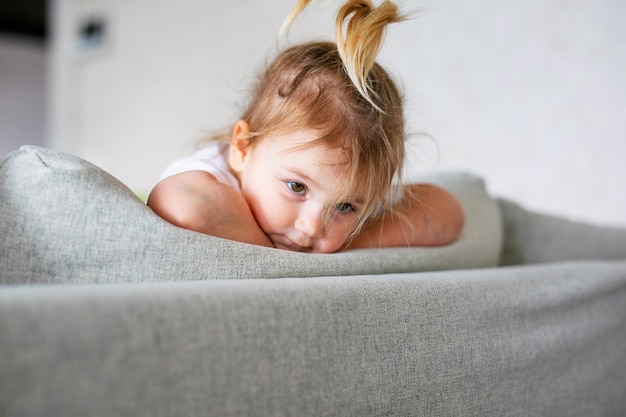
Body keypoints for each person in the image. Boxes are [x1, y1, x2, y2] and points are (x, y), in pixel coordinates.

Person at [147, 0, 465, 253]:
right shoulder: (210, 174)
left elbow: (449, 212)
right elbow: (180, 201)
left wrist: (354, 241)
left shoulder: (345, 179)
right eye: (297, 187)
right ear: (243, 148)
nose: (313, 228)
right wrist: (272, 255)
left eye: (344, 207)